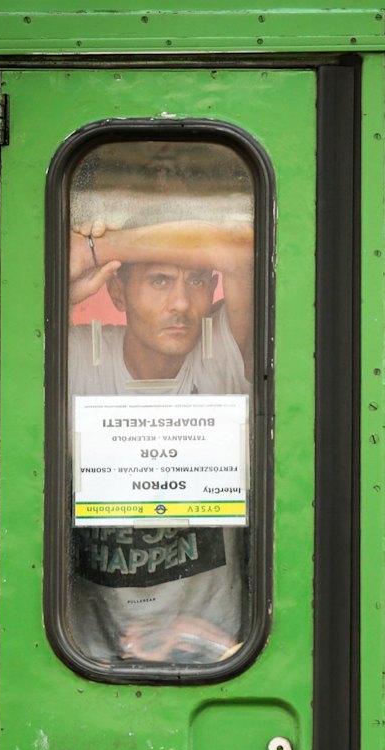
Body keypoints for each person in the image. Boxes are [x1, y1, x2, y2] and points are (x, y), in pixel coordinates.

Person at [66, 219, 254, 665]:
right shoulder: (74, 358)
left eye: (197, 281)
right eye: (158, 280)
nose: (182, 303)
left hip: (215, 651)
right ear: (117, 293)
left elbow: (243, 251)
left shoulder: (222, 354)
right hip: (90, 656)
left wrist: (98, 246)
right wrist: (67, 285)